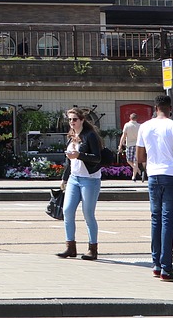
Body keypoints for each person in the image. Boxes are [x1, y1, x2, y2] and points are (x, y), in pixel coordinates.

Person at [136, 94, 173, 282]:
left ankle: (156, 264)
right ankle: (166, 267)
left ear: (155, 108)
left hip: (153, 176)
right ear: (170, 108)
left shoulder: (144, 126)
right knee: (168, 221)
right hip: (172, 176)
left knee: (156, 219)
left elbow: (139, 157)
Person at [56, 107, 104, 261]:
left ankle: (92, 249)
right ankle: (70, 247)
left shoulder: (90, 136)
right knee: (67, 211)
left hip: (90, 179)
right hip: (74, 178)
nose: (72, 122)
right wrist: (64, 179)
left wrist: (79, 155)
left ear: (82, 120)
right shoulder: (71, 136)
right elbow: (69, 162)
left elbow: (97, 158)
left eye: (74, 119)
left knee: (88, 213)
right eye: (69, 119)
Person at [119, 112, 142, 181]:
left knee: (128, 160)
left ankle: (134, 175)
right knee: (136, 161)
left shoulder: (127, 125)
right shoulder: (140, 126)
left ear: (130, 118)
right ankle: (136, 172)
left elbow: (123, 136)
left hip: (129, 145)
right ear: (136, 118)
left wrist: (120, 145)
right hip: (138, 145)